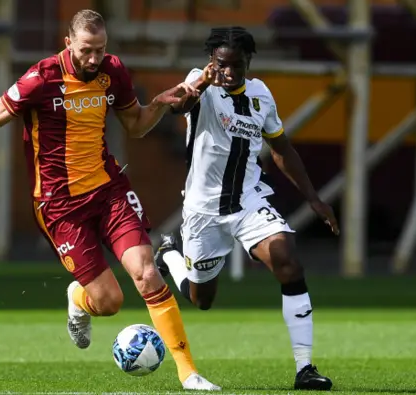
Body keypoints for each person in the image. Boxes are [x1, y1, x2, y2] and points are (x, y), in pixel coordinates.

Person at [0, 9, 220, 392]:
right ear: (68, 43)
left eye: (100, 50)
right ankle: (79, 297)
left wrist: (158, 102)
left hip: (109, 191)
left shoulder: (113, 72)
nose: (94, 59)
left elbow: (136, 126)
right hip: (59, 207)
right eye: (87, 50)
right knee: (108, 302)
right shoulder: (39, 79)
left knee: (147, 273)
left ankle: (188, 373)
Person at [154, 26, 339, 391]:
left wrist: (314, 198)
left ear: (247, 63)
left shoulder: (261, 95)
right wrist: (202, 84)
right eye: (221, 64)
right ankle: (170, 257)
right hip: (203, 210)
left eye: (236, 66)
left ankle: (305, 367)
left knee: (287, 259)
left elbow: (282, 149)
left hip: (248, 201)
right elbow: (175, 104)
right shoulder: (199, 82)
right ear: (211, 61)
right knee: (200, 298)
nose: (228, 73)